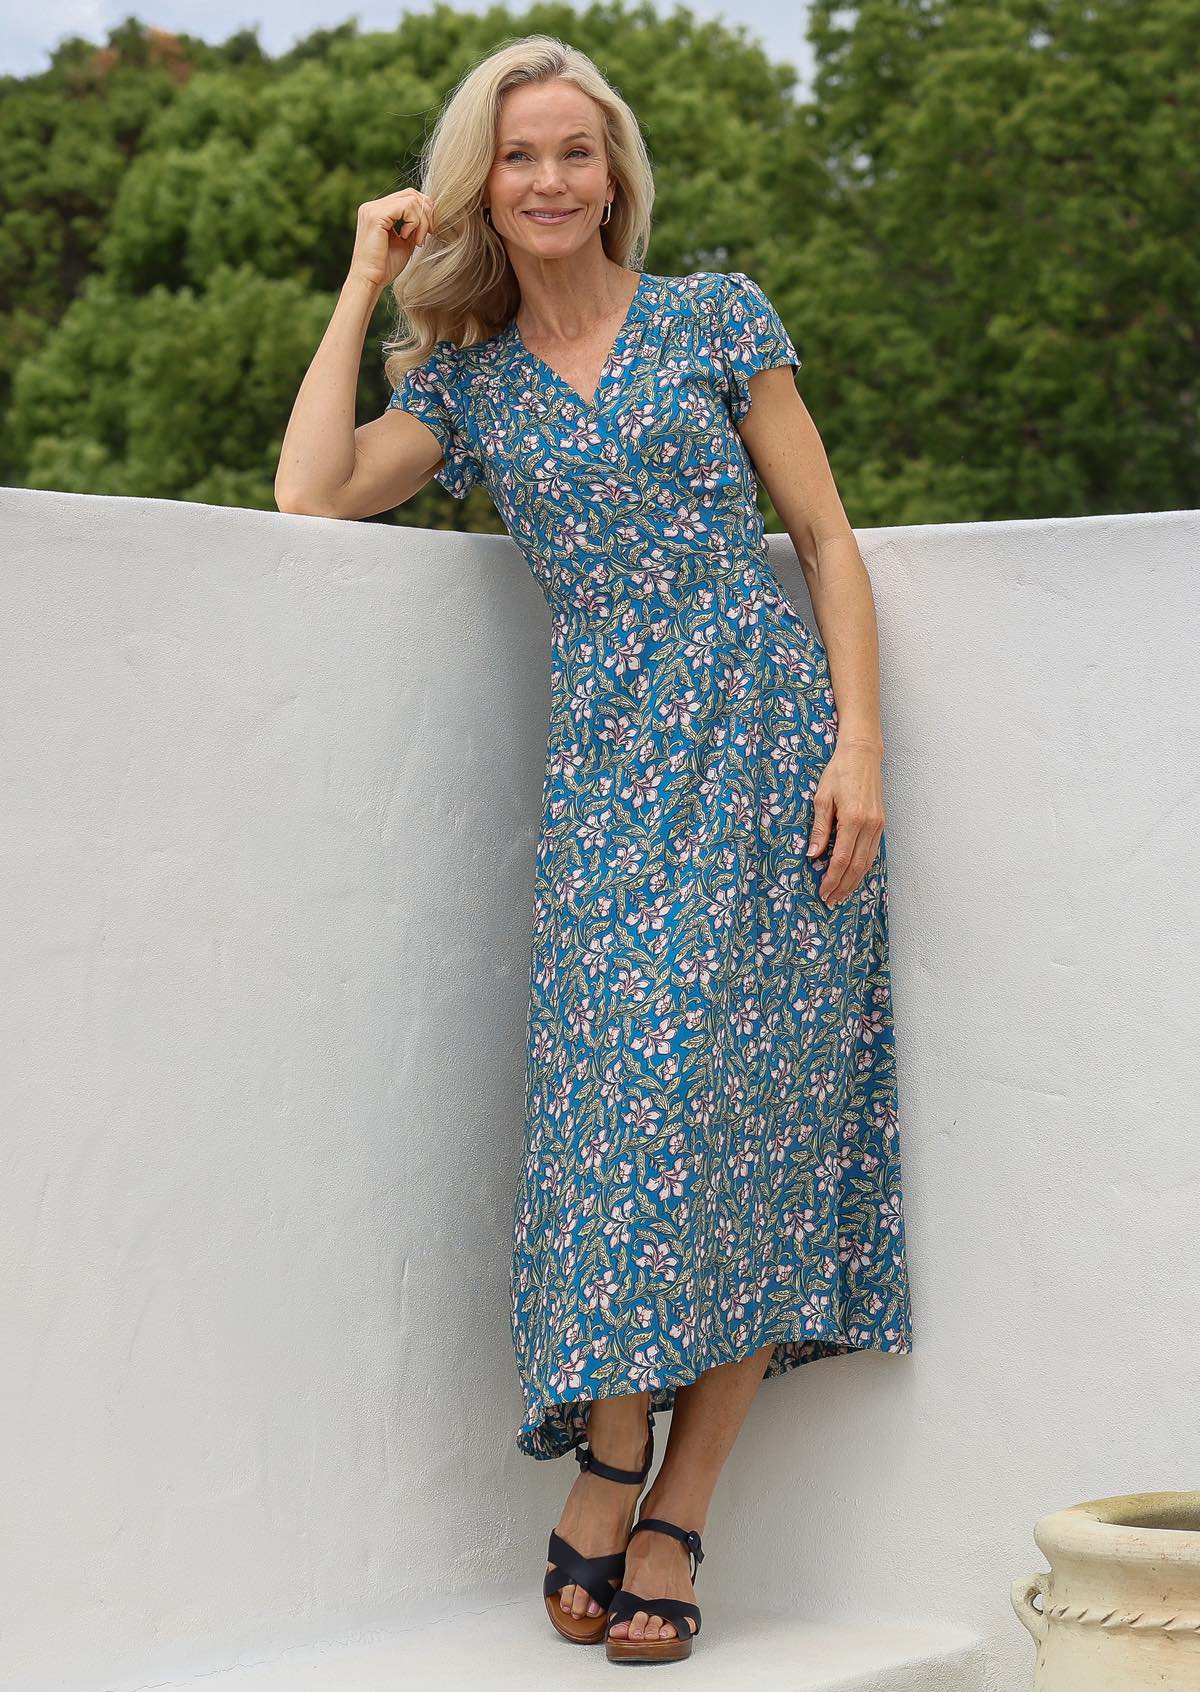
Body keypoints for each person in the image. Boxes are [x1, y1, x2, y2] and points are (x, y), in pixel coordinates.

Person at [275, 32, 913, 1668]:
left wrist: (859, 742)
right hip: (614, 782)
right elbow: (313, 494)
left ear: (614, 170)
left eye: (574, 151)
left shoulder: (715, 317)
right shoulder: (471, 385)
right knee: (627, 1126)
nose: (549, 179)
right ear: (483, 180)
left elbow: (828, 542)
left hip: (775, 757)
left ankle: (675, 1511)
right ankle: (613, 1452)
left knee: (755, 1136)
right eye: (517, 155)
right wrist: (366, 279)